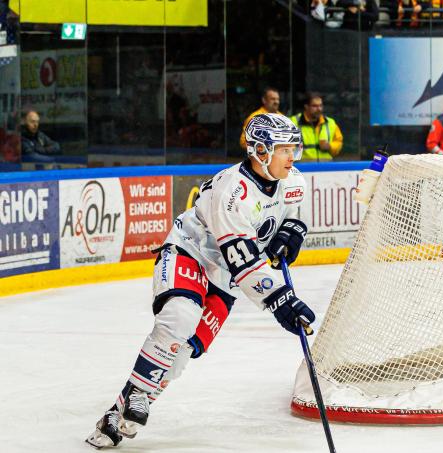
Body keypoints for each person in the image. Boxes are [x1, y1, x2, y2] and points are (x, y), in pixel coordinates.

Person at [85, 113, 315, 448]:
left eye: (294, 148)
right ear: (260, 151)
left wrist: (292, 232)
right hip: (190, 252)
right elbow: (244, 261)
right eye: (283, 149)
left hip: (226, 279)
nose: (292, 156)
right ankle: (138, 392)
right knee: (180, 317)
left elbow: (293, 217)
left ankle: (117, 415)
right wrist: (281, 300)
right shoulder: (231, 191)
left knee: (179, 357)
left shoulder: (294, 182)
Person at [290, 93, 344, 161]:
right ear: (306, 106)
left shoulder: (330, 122)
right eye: (315, 106)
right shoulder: (293, 122)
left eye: (321, 105)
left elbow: (339, 141)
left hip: (326, 168)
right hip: (302, 168)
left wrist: (330, 146)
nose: (319, 109)